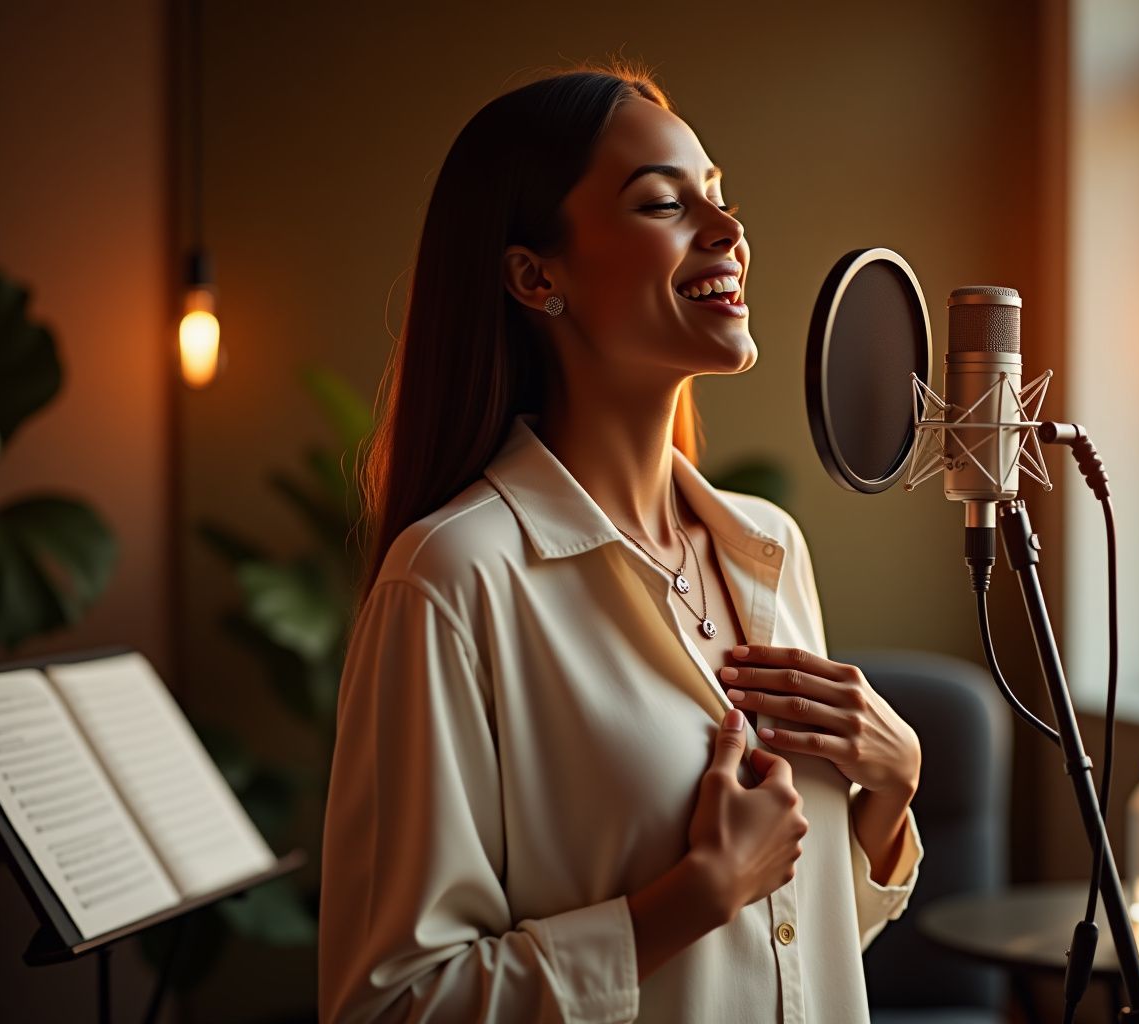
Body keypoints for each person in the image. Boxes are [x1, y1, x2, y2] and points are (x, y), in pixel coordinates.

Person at [318, 60, 925, 1023]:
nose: (728, 232)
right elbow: (391, 1005)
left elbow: (794, 948)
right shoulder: (453, 581)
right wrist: (687, 902)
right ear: (534, 275)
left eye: (719, 197)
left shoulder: (770, 546)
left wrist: (890, 794)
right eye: (663, 204)